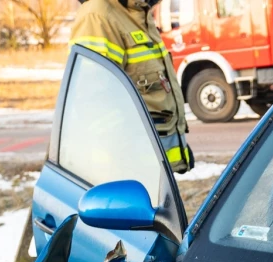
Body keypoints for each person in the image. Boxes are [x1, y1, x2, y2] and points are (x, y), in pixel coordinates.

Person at [70, 0, 194, 174]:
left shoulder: (139, 12)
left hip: (156, 173)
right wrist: (128, 165)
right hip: (129, 175)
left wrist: (179, 149)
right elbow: (94, 102)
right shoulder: (98, 15)